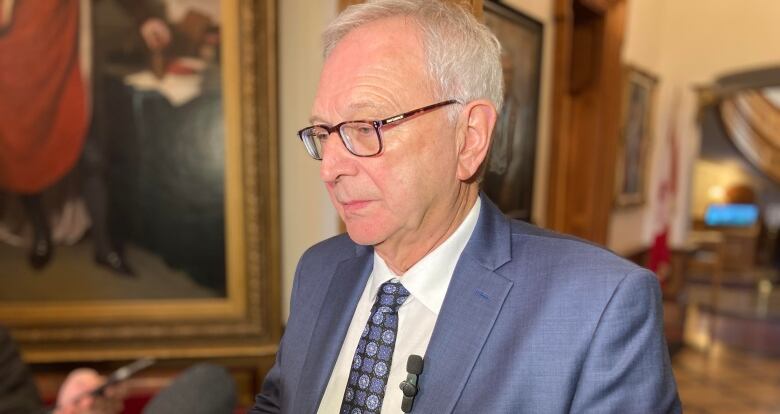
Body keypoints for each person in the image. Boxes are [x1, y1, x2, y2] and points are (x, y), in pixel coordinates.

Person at [251, 0, 681, 413]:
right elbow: (279, 402)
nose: (330, 168)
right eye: (324, 133)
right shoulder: (319, 268)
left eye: (366, 127)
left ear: (470, 136)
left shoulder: (597, 305)